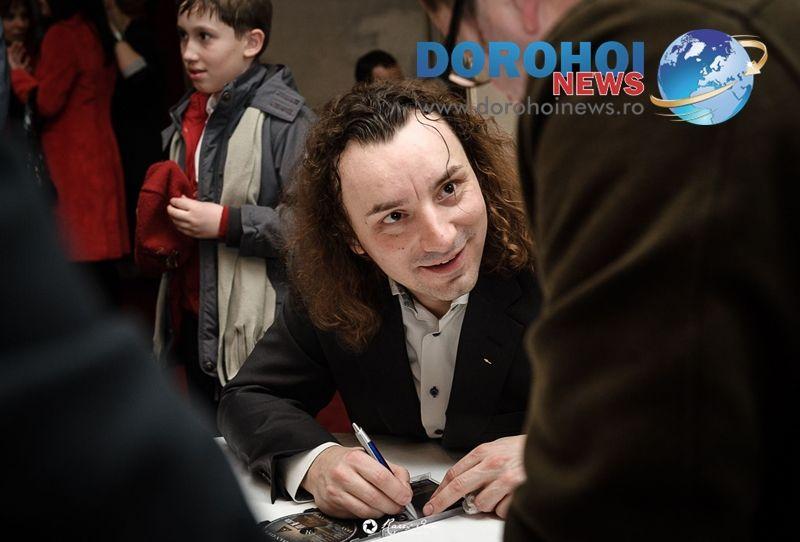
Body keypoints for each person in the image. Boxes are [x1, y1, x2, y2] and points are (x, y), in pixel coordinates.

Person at [419, 0, 800, 540]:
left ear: (521, 7)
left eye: (470, 57)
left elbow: (634, 467)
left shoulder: (618, 62)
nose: (503, 90)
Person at [218, 79, 542, 520]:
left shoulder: (558, 270)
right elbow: (249, 397)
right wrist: (316, 463)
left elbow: (643, 401)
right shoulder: (335, 289)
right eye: (394, 216)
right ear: (351, 236)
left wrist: (555, 448)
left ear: (480, 177)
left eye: (449, 189)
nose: (440, 237)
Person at [0, 141, 266, 540]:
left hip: (245, 313)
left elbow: (299, 225)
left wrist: (229, 221)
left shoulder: (283, 122)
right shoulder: (179, 122)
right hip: (190, 306)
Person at [143, 0, 314, 418]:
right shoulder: (189, 114)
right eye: (183, 36)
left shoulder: (286, 122)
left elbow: (310, 229)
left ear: (251, 42)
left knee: (255, 437)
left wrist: (225, 221)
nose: (188, 52)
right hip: (195, 314)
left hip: (257, 330)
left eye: (205, 37)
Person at [7, 0, 129, 289]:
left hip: (72, 160)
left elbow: (45, 103)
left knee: (79, 261)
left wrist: (18, 74)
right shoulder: (94, 31)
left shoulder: (62, 34)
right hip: (101, 151)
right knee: (103, 267)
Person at [105, 0, 164, 247]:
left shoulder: (138, 35)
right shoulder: (140, 33)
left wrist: (114, 37)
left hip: (141, 139)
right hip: (136, 137)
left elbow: (139, 76)